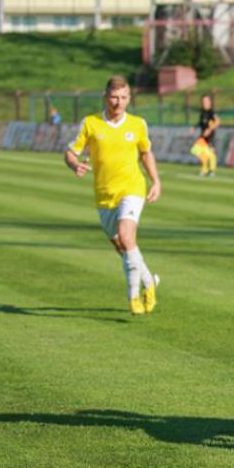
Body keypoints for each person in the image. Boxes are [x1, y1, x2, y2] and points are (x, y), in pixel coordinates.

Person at [64, 76, 161, 316]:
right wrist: (74, 165)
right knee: (123, 247)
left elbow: (146, 153)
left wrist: (156, 181)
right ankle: (149, 282)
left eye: (124, 97)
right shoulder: (91, 123)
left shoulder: (138, 124)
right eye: (114, 97)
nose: (119, 102)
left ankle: (133, 297)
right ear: (105, 97)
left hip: (132, 189)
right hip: (105, 195)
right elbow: (70, 152)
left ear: (129, 98)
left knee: (127, 237)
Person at [192, 93, 220, 177]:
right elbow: (201, 122)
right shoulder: (202, 111)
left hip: (210, 136)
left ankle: (211, 171)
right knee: (198, 151)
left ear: (209, 102)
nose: (204, 102)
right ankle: (204, 169)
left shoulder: (211, 112)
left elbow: (218, 122)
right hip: (203, 136)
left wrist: (209, 129)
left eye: (206, 101)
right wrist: (194, 127)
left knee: (211, 154)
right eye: (203, 101)